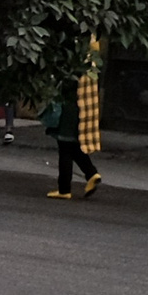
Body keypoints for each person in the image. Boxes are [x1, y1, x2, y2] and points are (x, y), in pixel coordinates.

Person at [45, 58, 102, 199]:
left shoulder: (74, 65)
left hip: (69, 111)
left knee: (65, 148)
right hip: (83, 111)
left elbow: (64, 84)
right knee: (73, 146)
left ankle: (64, 189)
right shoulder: (92, 66)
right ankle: (91, 173)